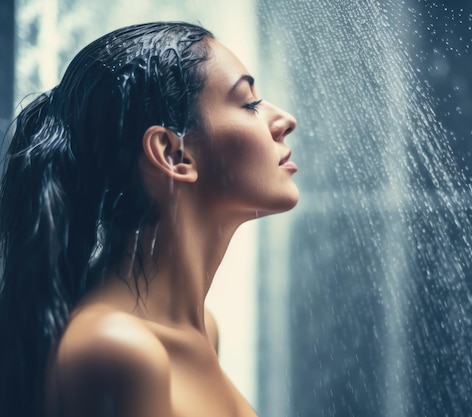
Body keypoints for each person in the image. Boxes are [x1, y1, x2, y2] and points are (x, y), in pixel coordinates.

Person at [0, 21, 298, 417]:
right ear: (173, 155)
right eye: (249, 104)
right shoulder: (117, 348)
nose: (284, 120)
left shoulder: (202, 329)